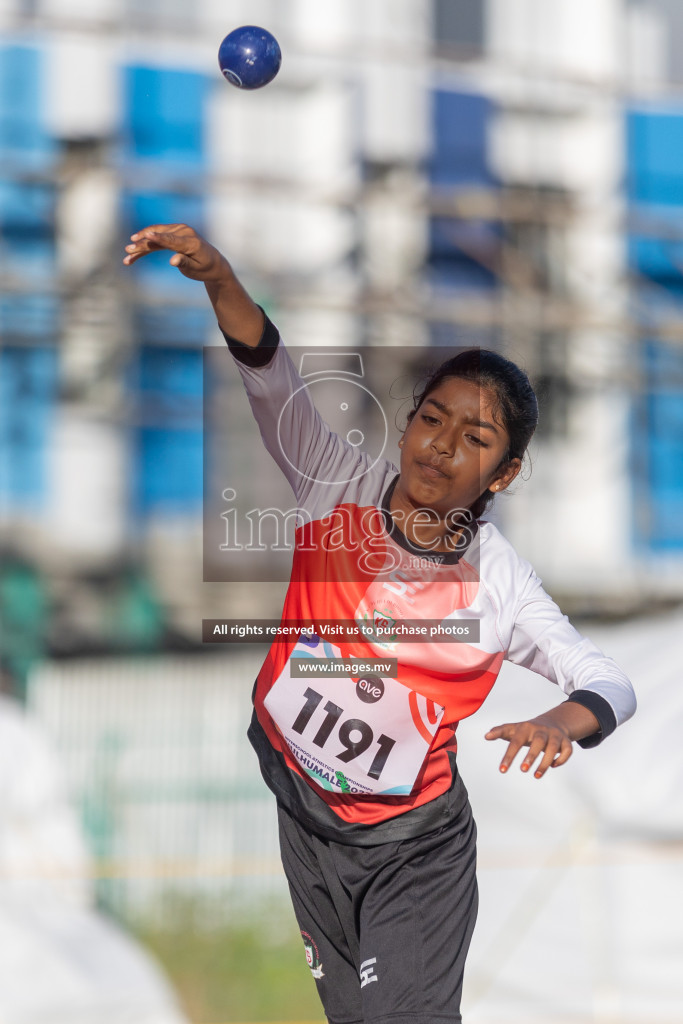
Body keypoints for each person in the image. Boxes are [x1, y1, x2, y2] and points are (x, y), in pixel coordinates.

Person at [124, 225, 637, 1024]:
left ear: (502, 473)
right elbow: (267, 371)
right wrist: (218, 273)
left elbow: (608, 681)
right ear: (405, 423)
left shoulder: (498, 584)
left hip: (413, 852)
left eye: (475, 440)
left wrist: (561, 722)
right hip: (305, 816)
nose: (440, 448)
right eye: (432, 419)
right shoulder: (332, 482)